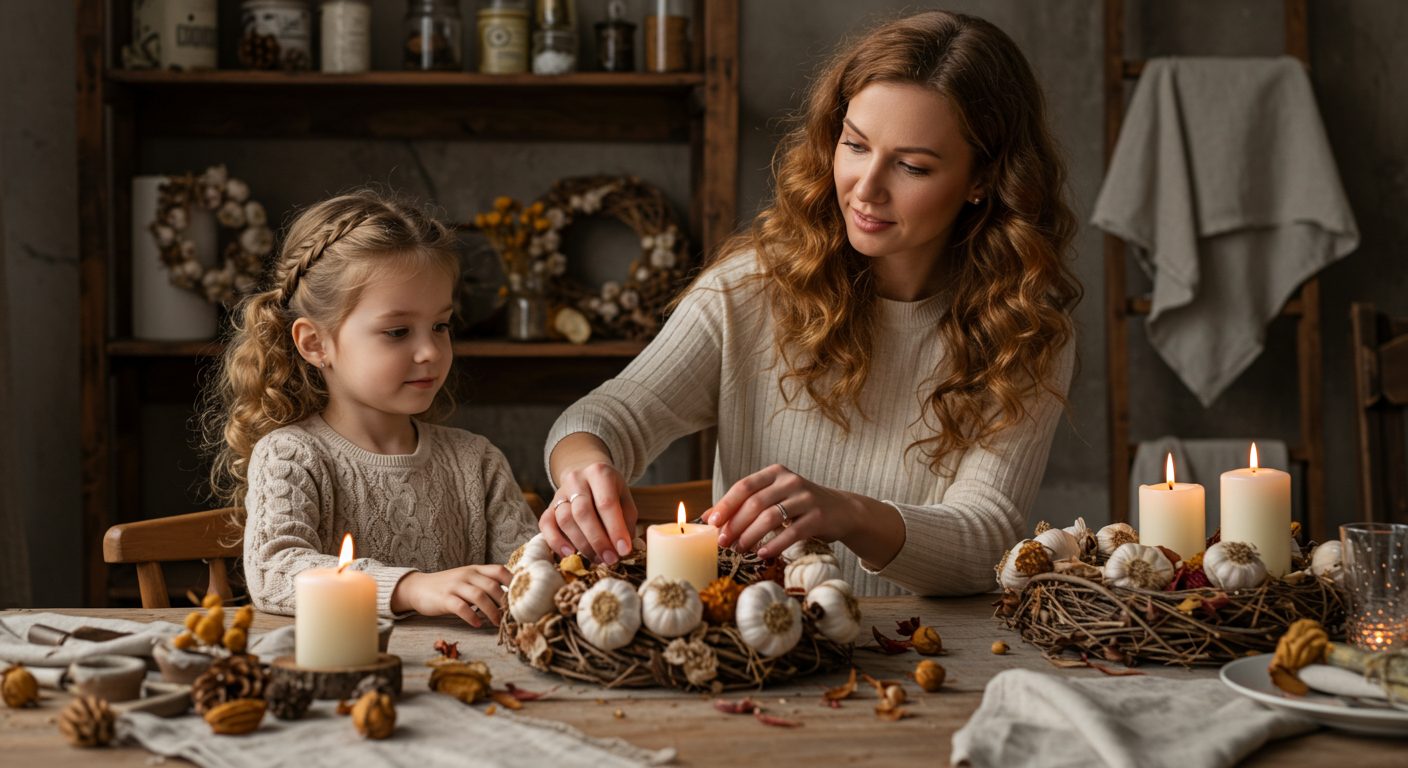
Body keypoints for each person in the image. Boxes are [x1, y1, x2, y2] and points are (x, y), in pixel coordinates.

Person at [540, 11, 1081, 596]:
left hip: (936, 669)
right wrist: (583, 471)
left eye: (912, 166)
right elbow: (604, 416)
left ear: (983, 179)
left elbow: (987, 544)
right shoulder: (748, 289)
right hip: (763, 659)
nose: (865, 188)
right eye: (854, 145)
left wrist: (848, 514)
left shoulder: (1024, 331)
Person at [202, 191, 537, 625]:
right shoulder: (292, 455)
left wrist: (558, 560)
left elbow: (529, 573)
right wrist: (410, 587)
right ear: (315, 343)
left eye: (440, 326)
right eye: (398, 331)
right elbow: (275, 571)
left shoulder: (477, 462)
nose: (430, 352)